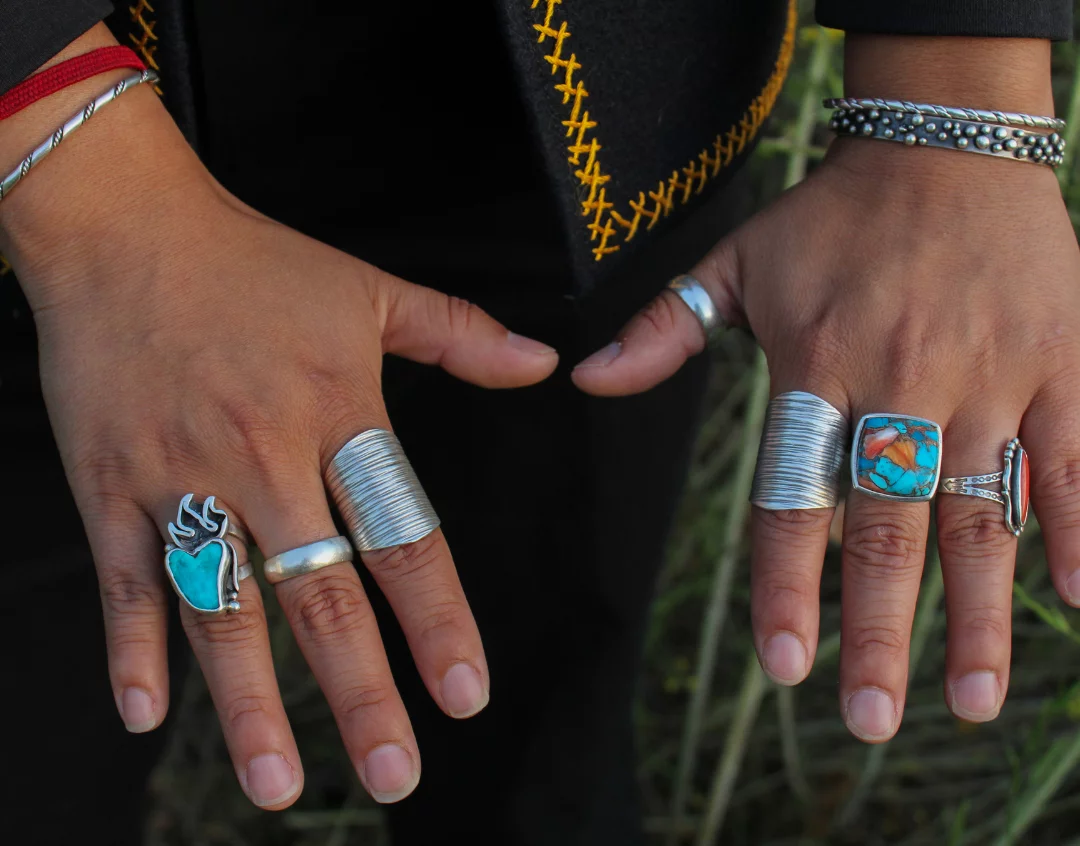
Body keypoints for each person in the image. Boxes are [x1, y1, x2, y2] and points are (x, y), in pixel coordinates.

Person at [1, 1, 1077, 844]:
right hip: (48, 208)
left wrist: (955, 82)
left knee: (549, 695)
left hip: (601, 135)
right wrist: (68, 159)